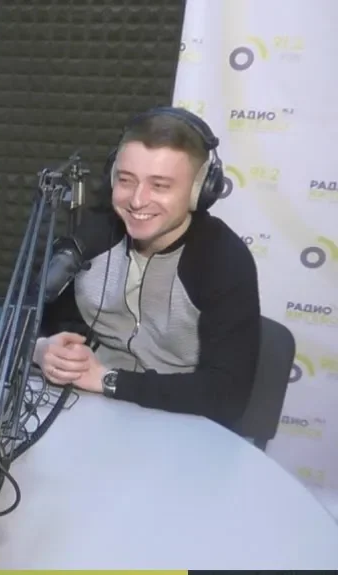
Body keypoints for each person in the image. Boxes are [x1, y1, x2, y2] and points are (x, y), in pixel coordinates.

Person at [35, 107, 261, 430]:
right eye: (126, 180)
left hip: (182, 421)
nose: (137, 201)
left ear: (199, 190)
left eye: (160, 185)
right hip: (94, 410)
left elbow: (227, 396)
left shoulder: (224, 260)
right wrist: (41, 349)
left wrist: (108, 380)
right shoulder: (95, 237)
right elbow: (30, 316)